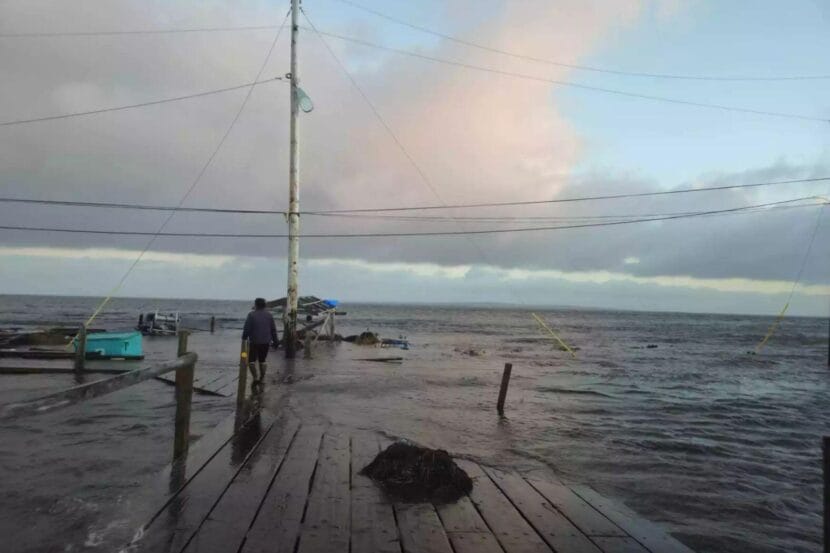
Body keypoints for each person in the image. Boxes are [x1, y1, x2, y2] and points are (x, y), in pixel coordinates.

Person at [242, 298, 279, 389]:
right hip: (266, 342)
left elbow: (247, 328)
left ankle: (255, 377)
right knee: (262, 360)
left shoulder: (251, 315)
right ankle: (262, 378)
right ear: (264, 305)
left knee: (251, 361)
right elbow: (273, 329)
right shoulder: (269, 315)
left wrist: (244, 337)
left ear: (256, 305)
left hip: (254, 341)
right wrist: (276, 341)